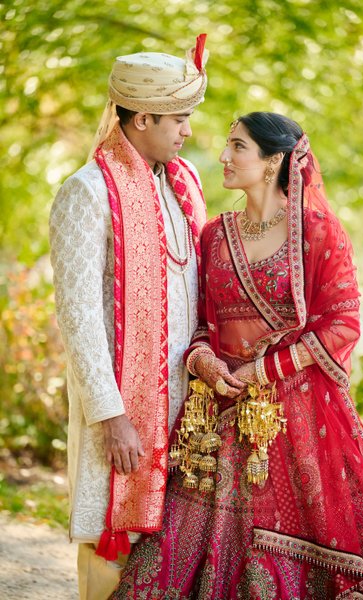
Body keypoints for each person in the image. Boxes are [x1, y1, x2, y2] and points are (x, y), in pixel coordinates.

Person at [111, 112, 363, 599]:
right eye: (227, 145)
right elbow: (203, 322)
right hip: (218, 417)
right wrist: (204, 361)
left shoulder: (318, 232)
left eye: (238, 147)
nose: (223, 156)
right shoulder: (215, 234)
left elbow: (343, 323)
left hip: (298, 420)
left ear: (274, 161)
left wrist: (265, 368)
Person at [49, 35, 209, 600]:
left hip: (186, 403)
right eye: (179, 119)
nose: (187, 131)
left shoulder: (184, 185)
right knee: (111, 542)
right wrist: (111, 415)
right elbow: (78, 316)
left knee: (180, 542)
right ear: (141, 118)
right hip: (121, 411)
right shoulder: (86, 193)